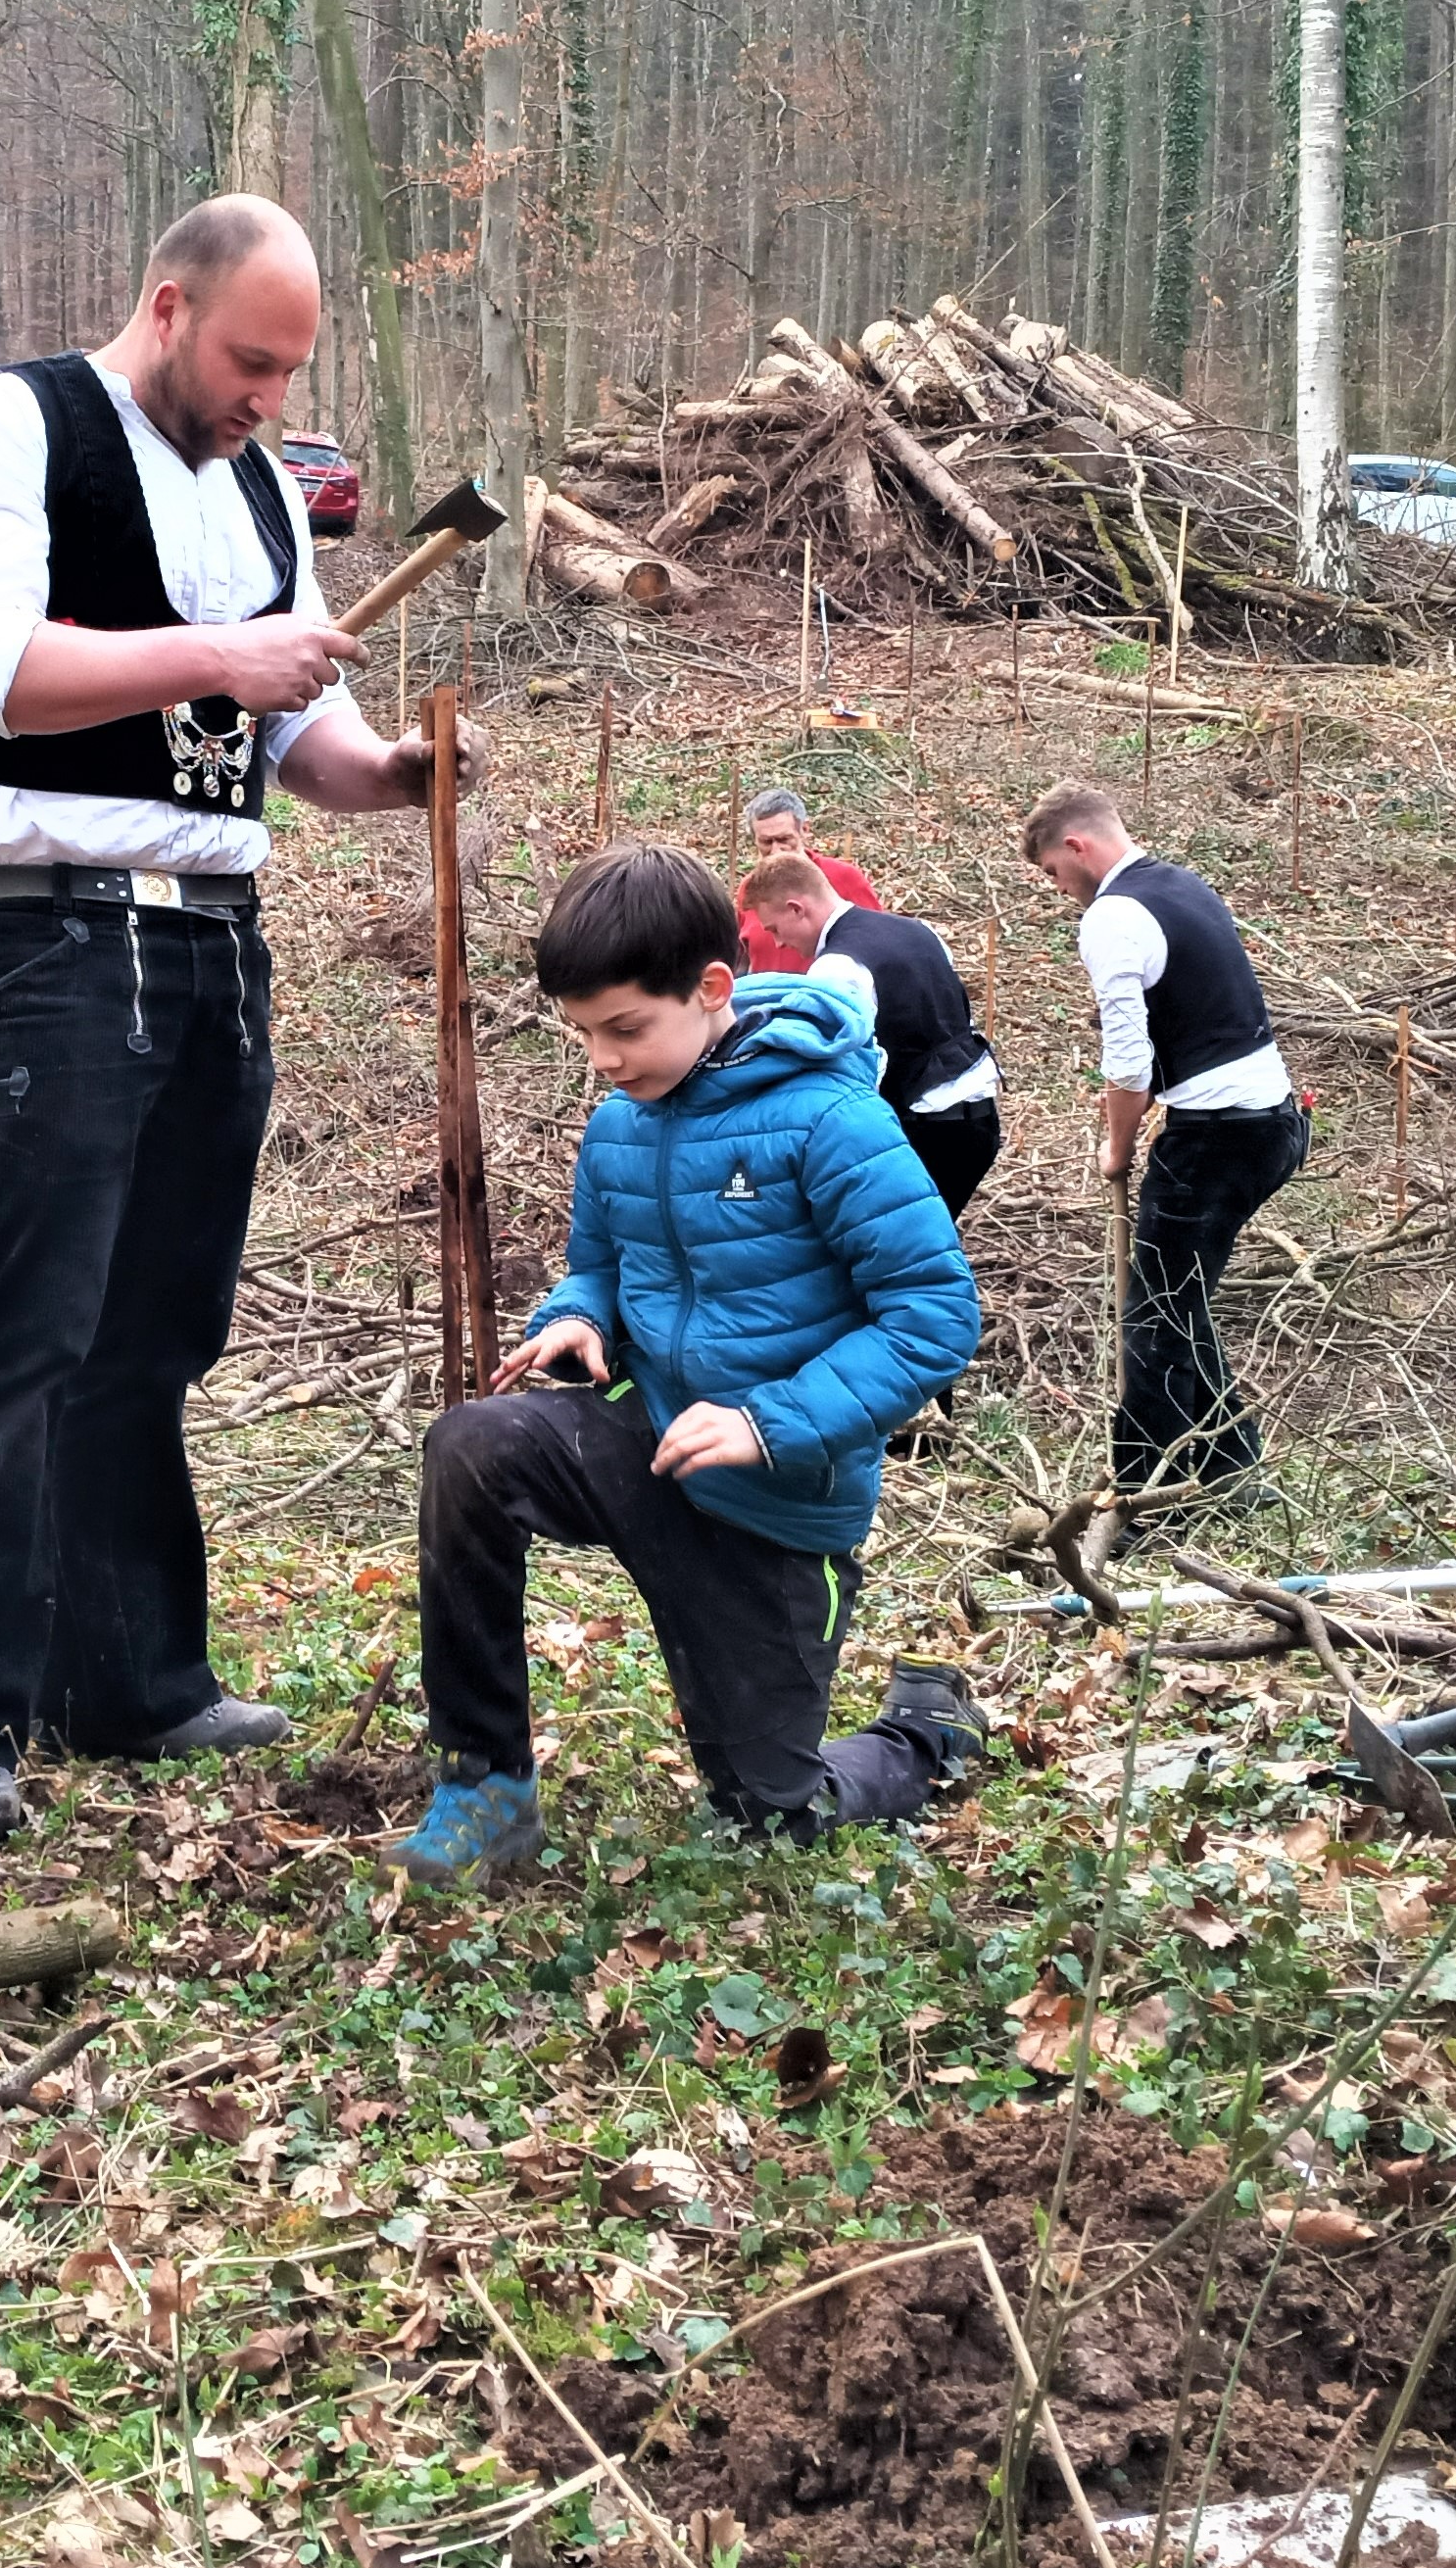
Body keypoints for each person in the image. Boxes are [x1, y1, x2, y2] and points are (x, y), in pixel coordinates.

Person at [0, 193, 491, 1847]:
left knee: (154, 1333)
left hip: (215, 942)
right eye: (246, 361)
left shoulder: (261, 499)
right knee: (22, 1330)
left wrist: (404, 775)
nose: (266, 402)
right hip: (46, 938)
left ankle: (128, 1674)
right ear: (166, 307)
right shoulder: (9, 428)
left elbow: (312, 750)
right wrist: (217, 654)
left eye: (289, 374)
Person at [392, 845, 986, 1886]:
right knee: (472, 1446)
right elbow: (601, 1266)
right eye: (586, 1034)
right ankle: (486, 1788)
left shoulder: (832, 1122)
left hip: (776, 1498)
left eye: (625, 1029)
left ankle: (925, 1731)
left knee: (774, 1813)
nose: (605, 1061)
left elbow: (935, 1314)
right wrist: (579, 1316)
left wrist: (766, 1422)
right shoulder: (622, 1123)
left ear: (713, 989)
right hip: (652, 1444)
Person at [1021, 780, 1304, 1501]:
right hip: (1266, 1117)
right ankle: (1226, 1468)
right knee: (1176, 1303)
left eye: (1054, 871)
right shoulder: (1179, 883)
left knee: (1154, 1316)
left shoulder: (1112, 916)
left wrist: (1117, 1144)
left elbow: (1127, 1061)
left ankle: (1153, 1494)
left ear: (1077, 845)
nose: (1059, 889)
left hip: (1218, 1134)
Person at [735, 853, 1001, 1218]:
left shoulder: (835, 969)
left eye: (775, 929)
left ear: (797, 908)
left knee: (897, 1250)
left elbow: (841, 1076)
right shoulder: (919, 930)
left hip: (930, 1129)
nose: (778, 944)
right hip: (980, 1123)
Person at [733, 787, 877, 974]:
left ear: (804, 830)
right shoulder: (750, 888)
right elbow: (742, 956)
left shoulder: (845, 878)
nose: (776, 850)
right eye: (766, 842)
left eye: (784, 839)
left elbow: (877, 944)